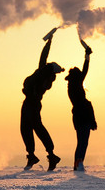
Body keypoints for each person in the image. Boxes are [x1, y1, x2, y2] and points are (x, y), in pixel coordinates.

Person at [21, 27, 64, 170]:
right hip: (29, 103)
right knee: (26, 128)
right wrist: (49, 42)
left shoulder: (43, 77)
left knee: (37, 128)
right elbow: (43, 57)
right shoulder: (43, 74)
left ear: (50, 70)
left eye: (49, 65)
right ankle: (33, 155)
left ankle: (52, 155)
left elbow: (43, 59)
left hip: (32, 104)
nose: (46, 64)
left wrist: (49, 43)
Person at [65, 39, 97, 171]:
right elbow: (85, 71)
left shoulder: (72, 86)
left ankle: (78, 163)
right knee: (83, 142)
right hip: (82, 115)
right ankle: (79, 163)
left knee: (81, 141)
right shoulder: (76, 85)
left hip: (79, 116)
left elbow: (84, 71)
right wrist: (87, 56)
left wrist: (87, 55)